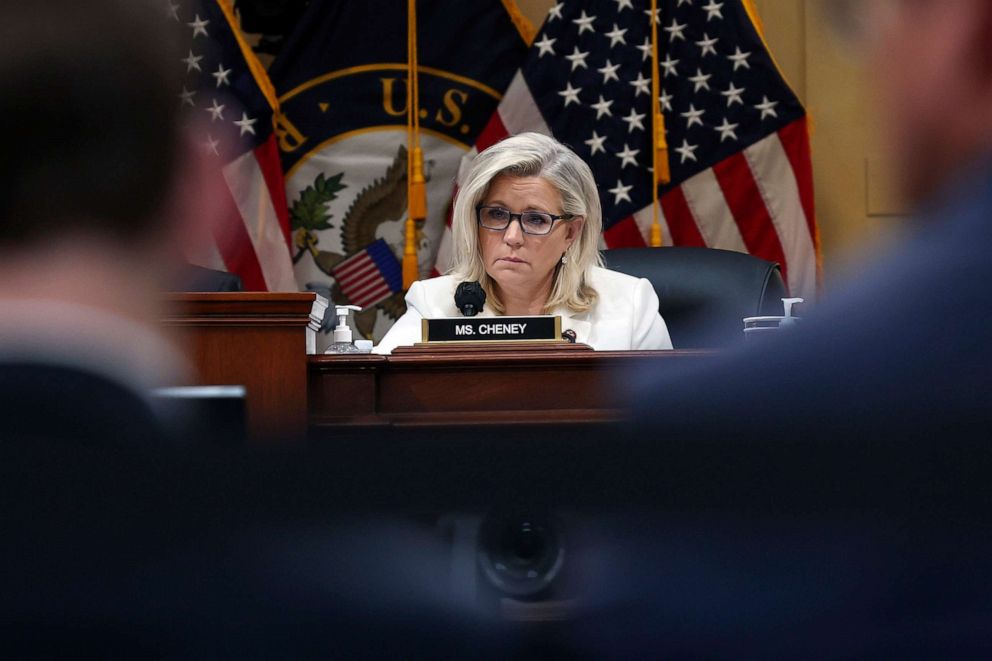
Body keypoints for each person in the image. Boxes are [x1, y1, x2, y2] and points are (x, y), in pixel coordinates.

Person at [374, 132, 673, 353]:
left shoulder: (630, 306)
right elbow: (380, 396)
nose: (512, 237)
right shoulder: (434, 304)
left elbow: (667, 422)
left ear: (571, 233)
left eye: (536, 220)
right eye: (496, 214)